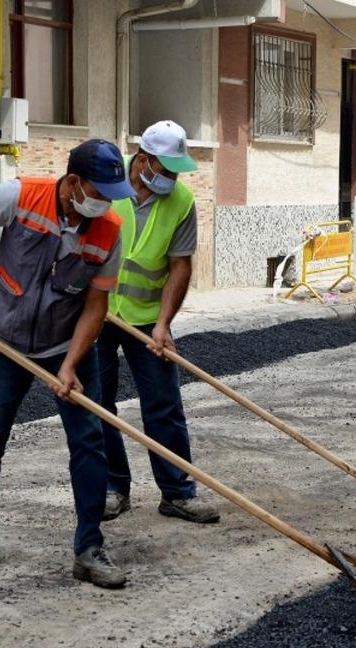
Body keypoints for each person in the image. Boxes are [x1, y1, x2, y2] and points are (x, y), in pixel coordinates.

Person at [0, 139, 137, 588]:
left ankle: (89, 548)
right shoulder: (21, 196)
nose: (104, 203)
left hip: (66, 344)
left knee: (89, 444)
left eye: (110, 194)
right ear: (72, 183)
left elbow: (96, 305)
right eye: (98, 192)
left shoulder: (109, 230)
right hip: (5, 342)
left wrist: (71, 365)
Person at [97, 120, 221, 524]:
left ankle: (177, 493)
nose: (172, 177)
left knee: (164, 404)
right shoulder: (107, 184)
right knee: (98, 404)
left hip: (149, 318)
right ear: (144, 160)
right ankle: (113, 488)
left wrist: (165, 323)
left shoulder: (181, 201)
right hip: (96, 314)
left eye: (176, 170)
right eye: (166, 169)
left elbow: (179, 265)